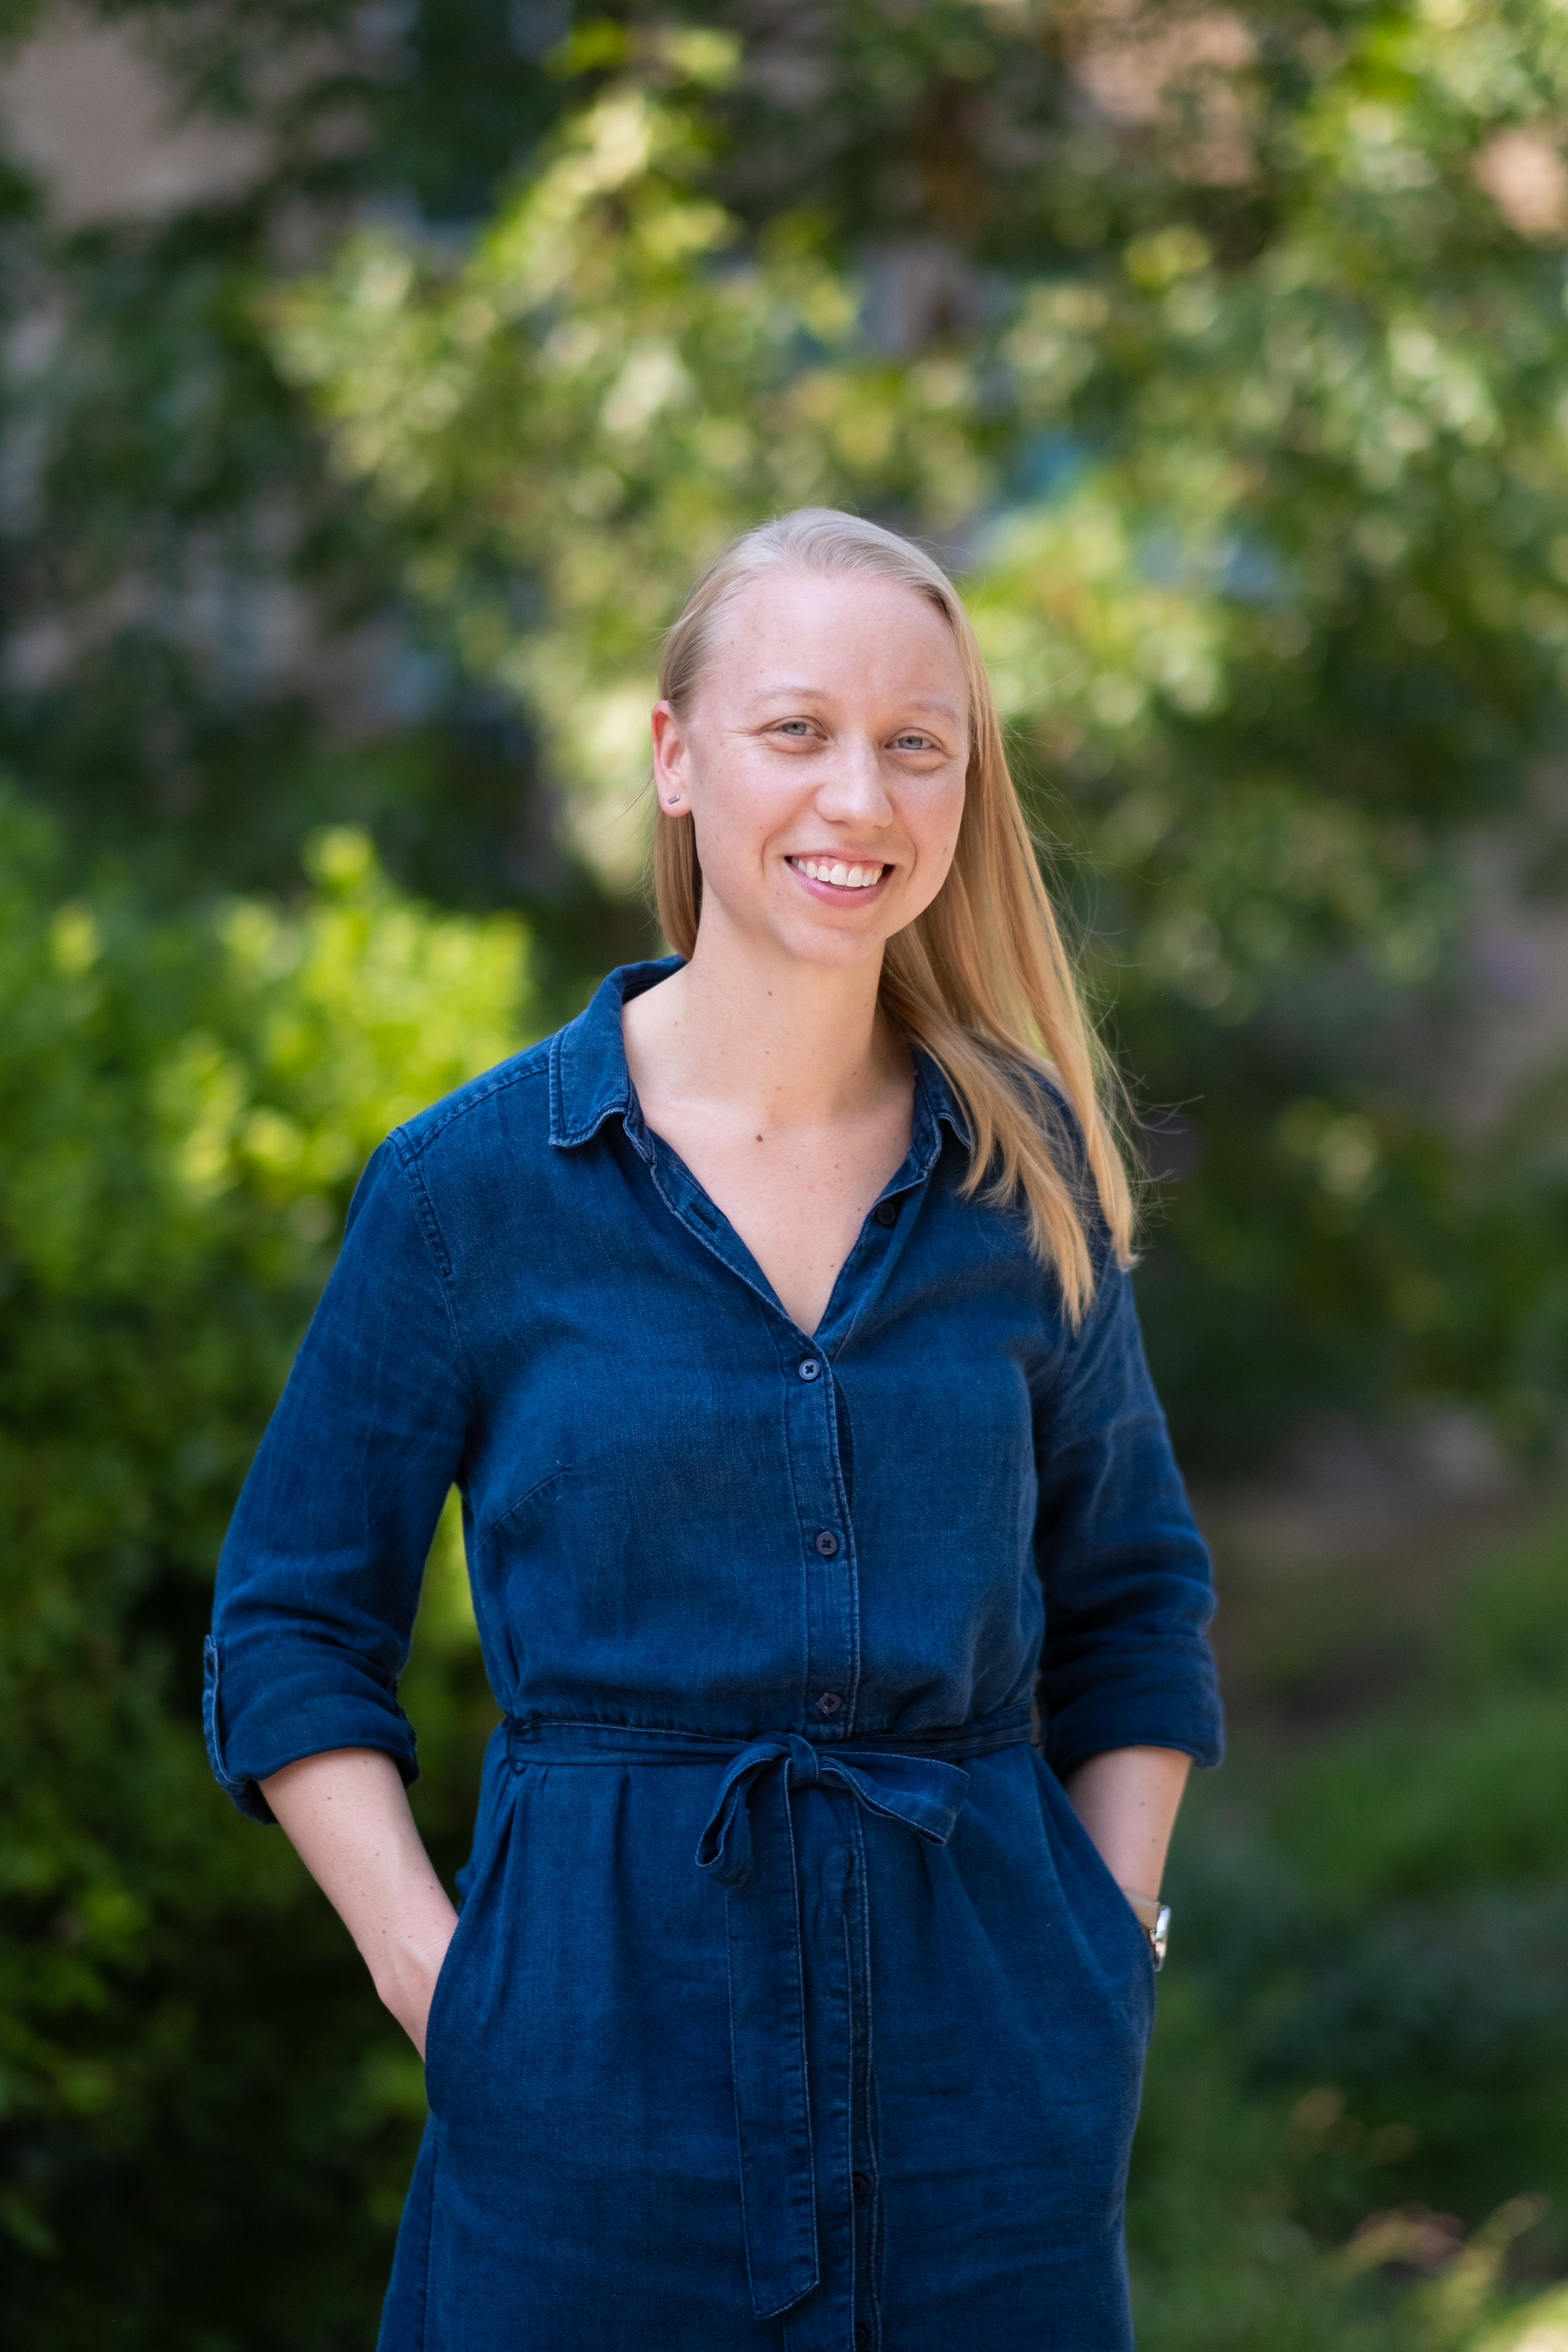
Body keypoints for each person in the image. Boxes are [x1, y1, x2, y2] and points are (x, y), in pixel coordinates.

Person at [204, 507, 1223, 2352]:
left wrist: (1102, 1944)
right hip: (584, 2109)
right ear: (674, 756)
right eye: (796, 729)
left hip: (986, 2115)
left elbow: (1135, 1592)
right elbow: (289, 1617)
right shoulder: (471, 1191)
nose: (860, 792)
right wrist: (447, 1980)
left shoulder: (1023, 1183)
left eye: (917, 741)